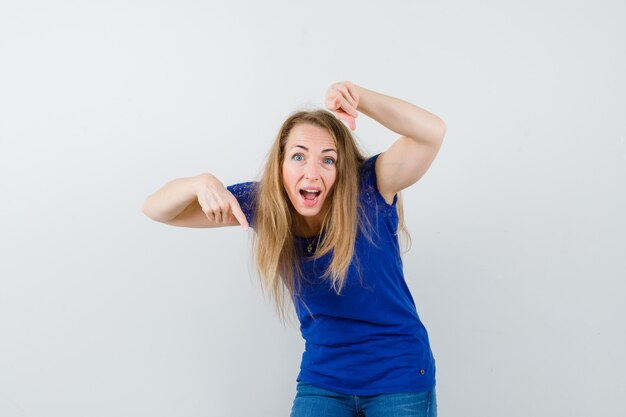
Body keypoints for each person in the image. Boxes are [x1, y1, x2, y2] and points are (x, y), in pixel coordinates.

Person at [142, 81, 446, 417]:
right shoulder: (263, 205)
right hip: (325, 379)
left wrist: (361, 98)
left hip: (398, 376)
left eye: (328, 160)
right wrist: (199, 183)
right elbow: (156, 210)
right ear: (281, 166)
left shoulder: (369, 189)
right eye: (298, 156)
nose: (311, 172)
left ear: (342, 170)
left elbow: (431, 133)